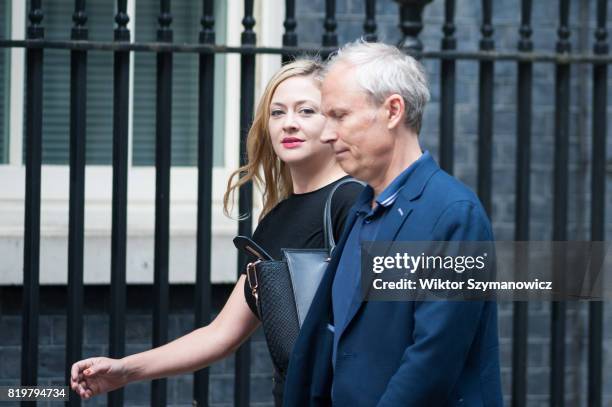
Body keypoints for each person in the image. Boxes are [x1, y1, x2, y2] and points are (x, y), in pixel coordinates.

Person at [70, 59, 362, 406]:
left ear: (334, 122)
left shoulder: (354, 201)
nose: (290, 124)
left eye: (306, 111)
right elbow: (220, 335)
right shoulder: (275, 222)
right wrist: (126, 370)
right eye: (278, 112)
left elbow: (394, 320)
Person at [283, 41, 503, 406]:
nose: (325, 133)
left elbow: (430, 363)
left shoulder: (454, 214)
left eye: (339, 115)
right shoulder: (363, 205)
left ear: (392, 111)